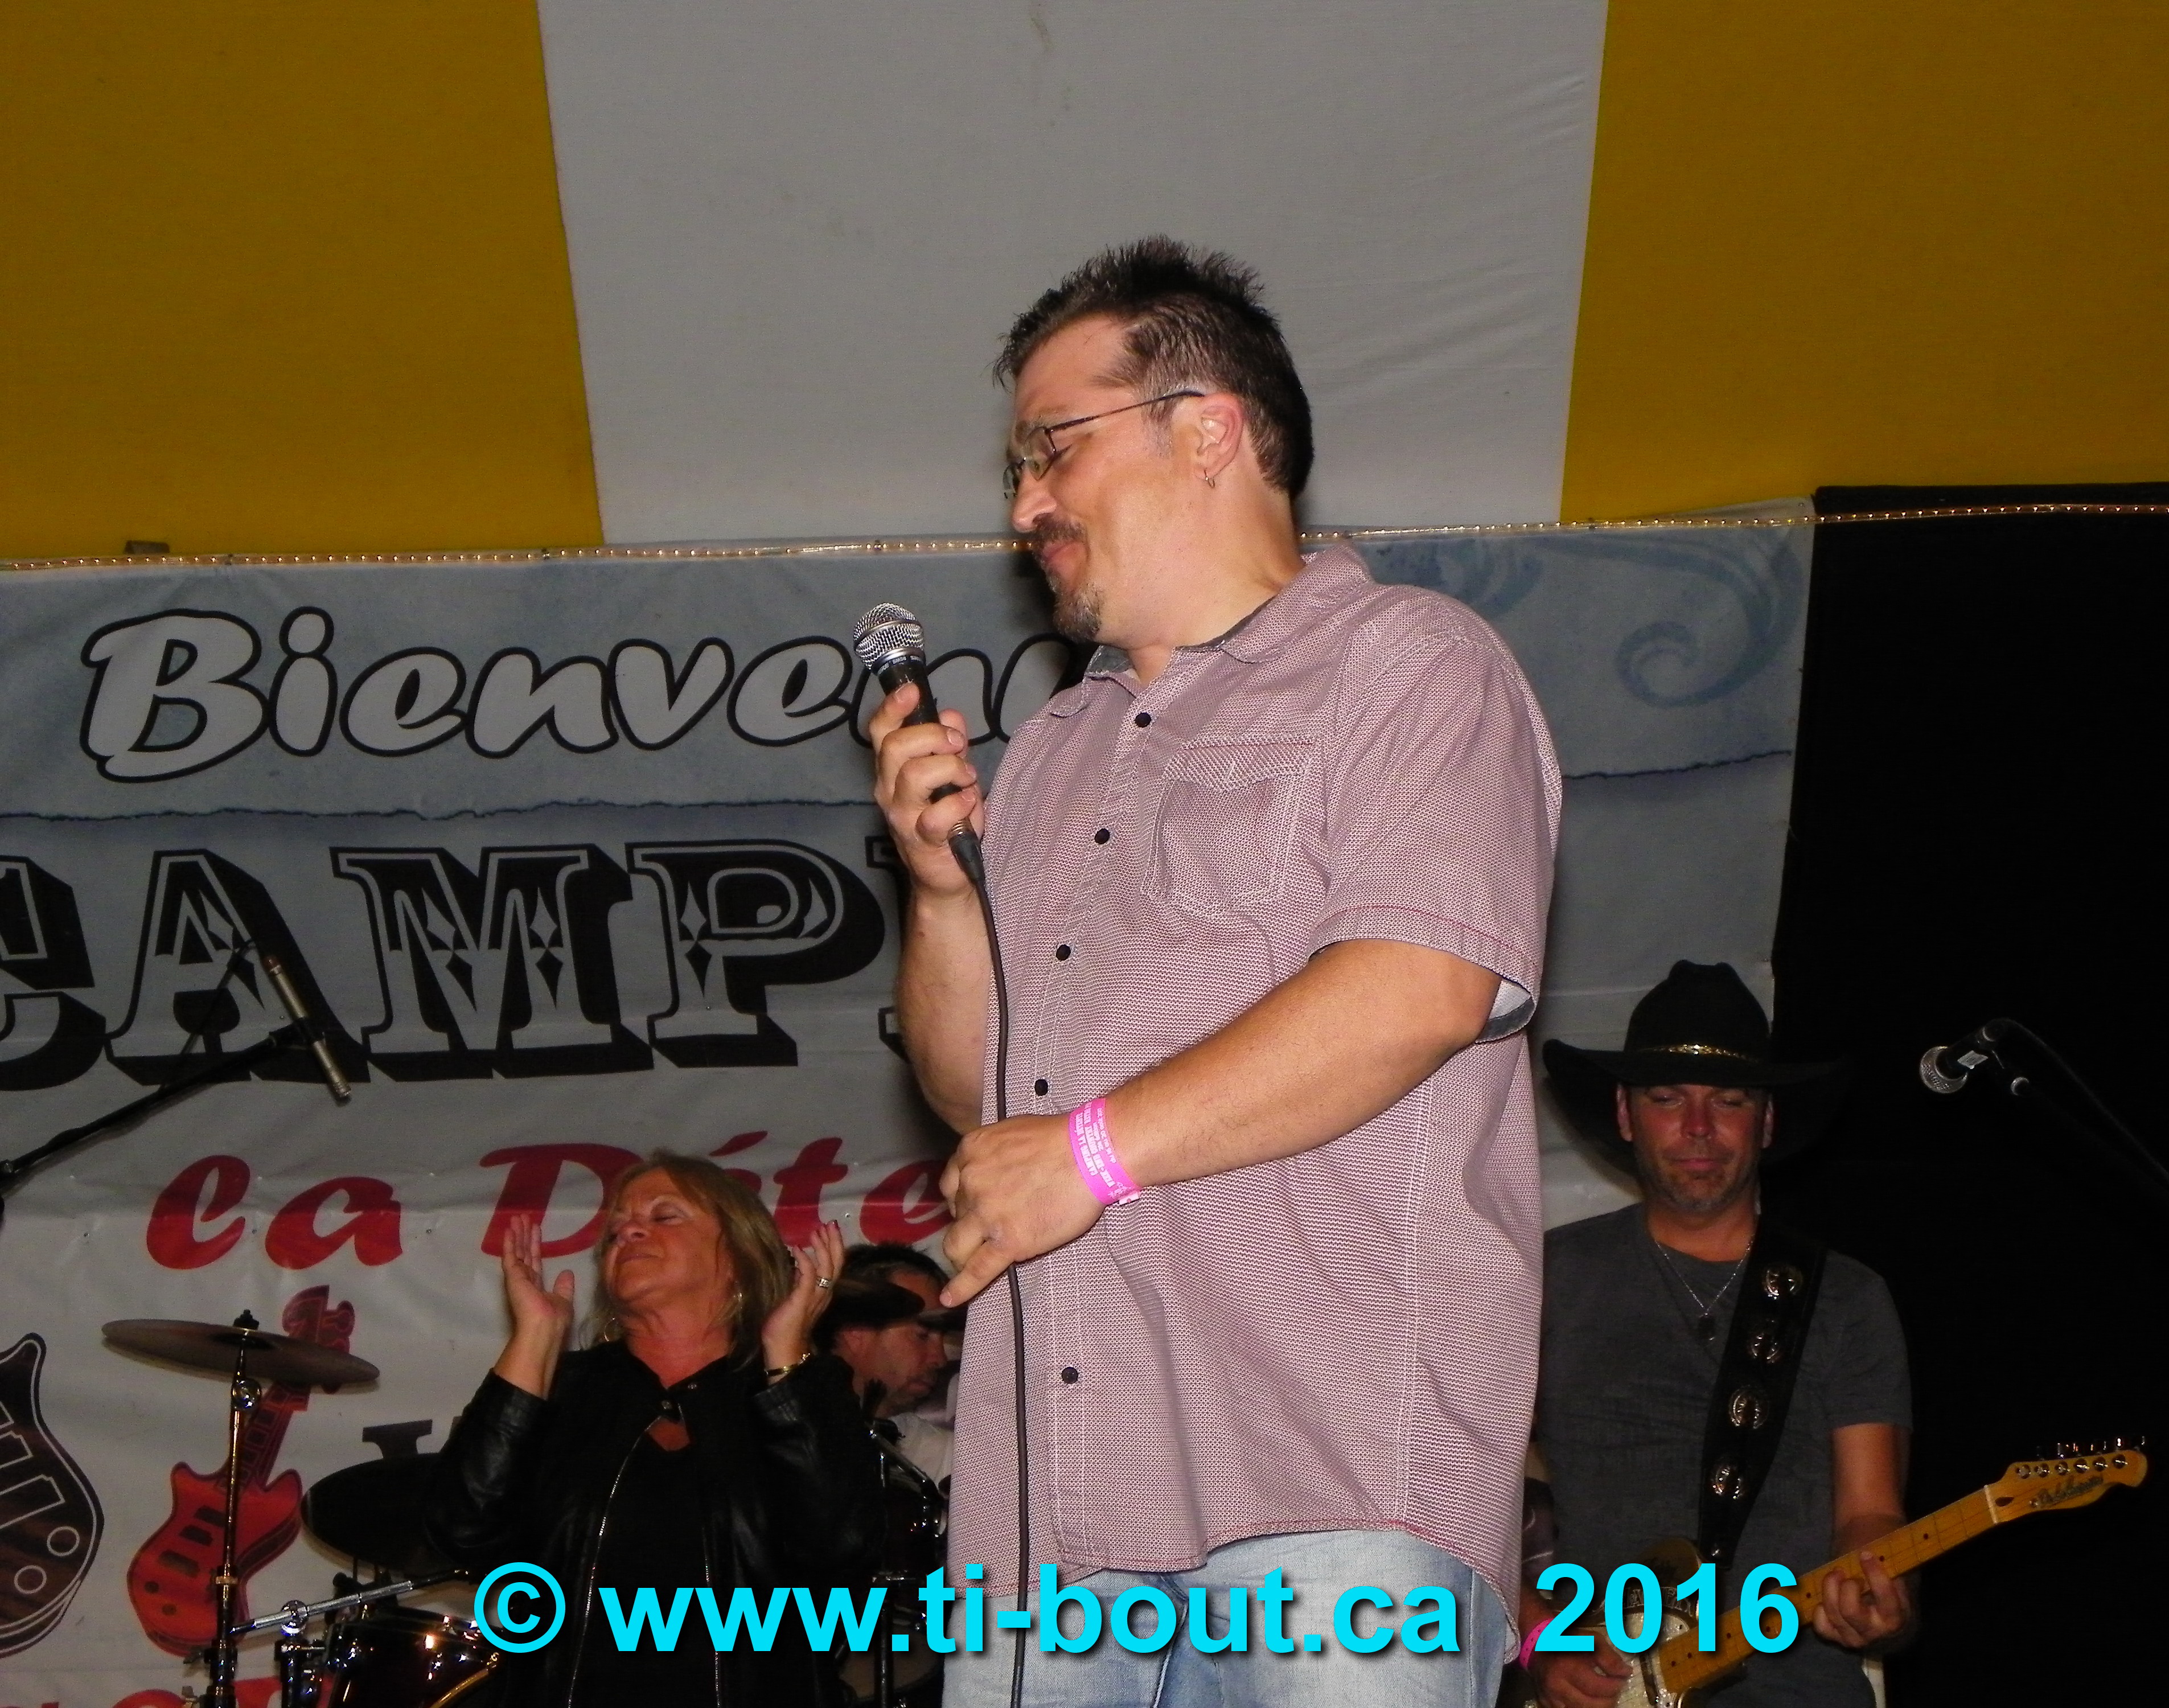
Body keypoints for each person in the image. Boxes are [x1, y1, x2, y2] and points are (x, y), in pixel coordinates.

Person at [870, 237, 1560, 1707]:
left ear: (1206, 431)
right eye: (1016, 468)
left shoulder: (1409, 665)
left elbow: (1419, 984)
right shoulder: (1049, 756)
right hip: (1053, 1528)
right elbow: (979, 1097)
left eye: (1053, 449)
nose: (1024, 506)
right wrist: (936, 895)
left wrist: (1093, 1153)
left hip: (1325, 1492)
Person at [1524, 962, 1913, 1708]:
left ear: (1766, 1122)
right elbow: (1458, 1482)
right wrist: (1539, 1639)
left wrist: (1879, 1589)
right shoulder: (1546, 1279)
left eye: (1729, 1101)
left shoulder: (1847, 1298)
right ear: (1626, 1114)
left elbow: (1870, 1512)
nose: (1698, 1127)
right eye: (1667, 1098)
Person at [424, 1151, 880, 1706]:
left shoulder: (795, 1392)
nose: (629, 1231)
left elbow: (837, 1547)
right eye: (616, 1229)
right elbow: (462, 1530)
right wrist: (535, 1338)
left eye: (665, 1216)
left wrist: (786, 1357)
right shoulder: (566, 1391)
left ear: (738, 1256)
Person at [828, 1242, 958, 1484]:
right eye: (922, 1335)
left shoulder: (949, 1458)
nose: (940, 1359)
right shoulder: (789, 1434)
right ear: (856, 1330)